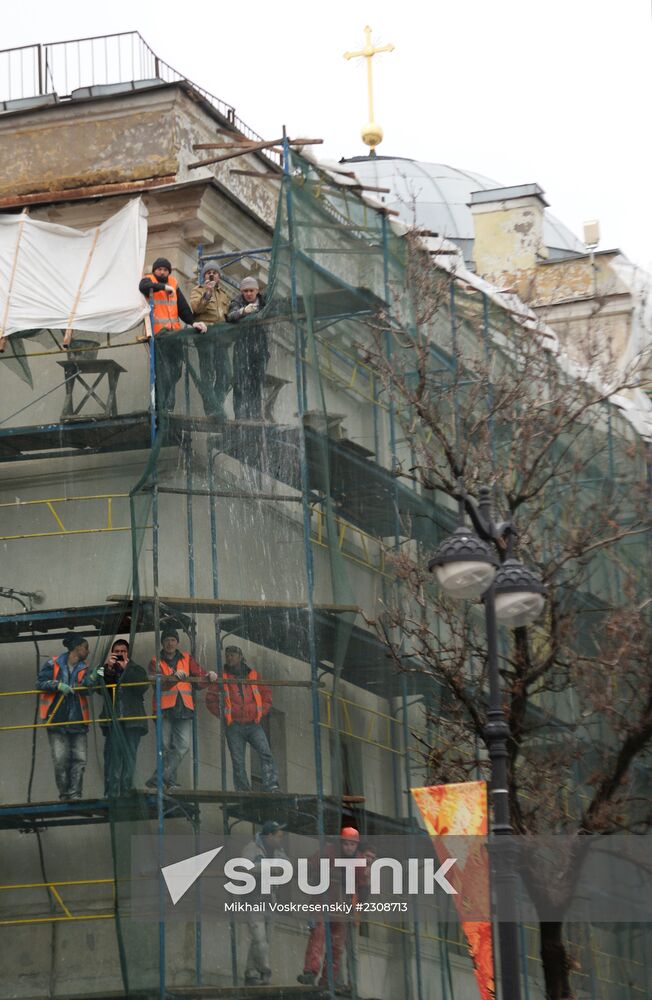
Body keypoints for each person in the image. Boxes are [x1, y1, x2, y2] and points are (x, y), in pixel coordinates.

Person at [146, 628, 217, 791]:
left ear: (177, 642)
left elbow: (199, 679)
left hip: (184, 708)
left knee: (182, 746)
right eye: (167, 640)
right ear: (162, 643)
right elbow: (157, 685)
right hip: (164, 709)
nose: (170, 643)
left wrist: (209, 677)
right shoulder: (155, 661)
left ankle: (159, 779)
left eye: (172, 640)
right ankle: (169, 781)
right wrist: (173, 679)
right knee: (164, 746)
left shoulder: (186, 658)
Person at [205, 645, 279, 792]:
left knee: (265, 752)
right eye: (227, 655)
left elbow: (267, 695)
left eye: (232, 655)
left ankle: (271, 786)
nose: (229, 658)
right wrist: (224, 714)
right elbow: (210, 699)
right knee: (238, 760)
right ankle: (243, 790)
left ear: (240, 657)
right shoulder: (222, 677)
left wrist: (259, 712)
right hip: (234, 725)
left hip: (253, 724)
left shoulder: (253, 675)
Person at [138, 258, 208, 411]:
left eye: (165, 269)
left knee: (175, 372)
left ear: (169, 271)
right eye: (159, 269)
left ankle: (165, 406)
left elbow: (182, 307)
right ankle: (159, 406)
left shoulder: (174, 283)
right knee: (163, 373)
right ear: (154, 271)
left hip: (174, 335)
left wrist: (192, 322)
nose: (162, 272)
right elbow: (143, 287)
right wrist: (162, 287)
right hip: (159, 336)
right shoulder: (148, 280)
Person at [297, 827, 363, 988]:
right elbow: (309, 865)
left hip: (341, 910)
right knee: (318, 938)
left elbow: (358, 886)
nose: (349, 848)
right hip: (321, 905)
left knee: (336, 947)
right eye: (346, 844)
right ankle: (311, 972)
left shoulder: (358, 863)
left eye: (352, 845)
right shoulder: (327, 853)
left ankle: (328, 980)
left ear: (356, 846)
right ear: (341, 843)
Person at [37, 633, 94, 801]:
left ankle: (75, 793)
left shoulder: (85, 668)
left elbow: (88, 690)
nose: (88, 651)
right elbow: (40, 682)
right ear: (77, 648)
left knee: (79, 759)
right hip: (56, 719)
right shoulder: (53, 663)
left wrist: (92, 679)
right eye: (86, 647)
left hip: (77, 720)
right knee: (61, 760)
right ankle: (65, 794)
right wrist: (57, 685)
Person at [97, 639, 149, 797]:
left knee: (129, 754)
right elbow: (98, 688)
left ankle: (126, 788)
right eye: (117, 652)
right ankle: (112, 790)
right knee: (112, 755)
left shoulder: (137, 669)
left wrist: (126, 669)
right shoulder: (105, 669)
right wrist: (109, 670)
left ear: (128, 653)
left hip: (133, 720)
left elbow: (142, 687)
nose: (119, 655)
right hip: (113, 720)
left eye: (123, 652)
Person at [240, 820, 288, 986]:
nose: (281, 839)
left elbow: (286, 866)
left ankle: (251, 974)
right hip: (253, 901)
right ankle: (265, 972)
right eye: (279, 836)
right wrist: (267, 867)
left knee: (262, 941)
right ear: (269, 836)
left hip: (270, 901)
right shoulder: (251, 848)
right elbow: (244, 867)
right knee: (260, 940)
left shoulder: (277, 851)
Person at [189, 265, 232, 420]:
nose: (212, 275)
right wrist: (208, 293)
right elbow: (196, 308)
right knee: (208, 373)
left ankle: (217, 404)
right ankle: (211, 409)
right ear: (204, 276)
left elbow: (228, 315)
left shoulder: (224, 294)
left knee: (226, 374)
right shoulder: (198, 290)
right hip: (206, 337)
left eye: (214, 273)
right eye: (208, 273)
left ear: (219, 276)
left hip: (221, 338)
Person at [226, 276, 269, 420]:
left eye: (251, 290)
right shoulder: (237, 302)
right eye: (245, 291)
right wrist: (244, 311)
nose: (248, 293)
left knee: (257, 383)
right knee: (240, 383)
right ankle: (240, 416)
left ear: (257, 290)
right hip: (242, 348)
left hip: (260, 348)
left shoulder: (264, 302)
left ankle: (255, 415)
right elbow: (230, 316)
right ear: (241, 291)